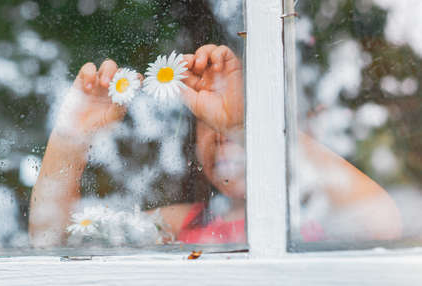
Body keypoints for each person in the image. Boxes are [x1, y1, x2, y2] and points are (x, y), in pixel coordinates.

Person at [28, 44, 402, 247]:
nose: (222, 133)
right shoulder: (180, 226)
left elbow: (383, 222)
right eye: (207, 122)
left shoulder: (313, 220)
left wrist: (251, 127)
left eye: (234, 120)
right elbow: (53, 237)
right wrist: (71, 138)